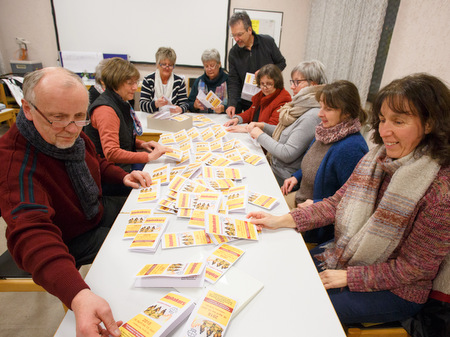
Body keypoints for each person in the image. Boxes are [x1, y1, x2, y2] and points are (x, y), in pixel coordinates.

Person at [247, 73, 450, 326]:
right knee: (285, 270)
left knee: (303, 306)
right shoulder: (377, 158)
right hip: (349, 255)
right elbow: (336, 202)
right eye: (383, 120)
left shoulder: (440, 191)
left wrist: (349, 277)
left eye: (398, 121)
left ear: (430, 123)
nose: (384, 131)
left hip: (398, 290)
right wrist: (283, 219)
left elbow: (415, 269)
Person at [0, 67, 153, 337]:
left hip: (90, 209)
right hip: (67, 236)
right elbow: (31, 232)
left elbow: (96, 161)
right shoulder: (14, 161)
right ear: (27, 109)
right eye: (59, 118)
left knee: (150, 215)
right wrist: (78, 294)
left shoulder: (67, 132)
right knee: (132, 247)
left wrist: (123, 176)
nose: (72, 129)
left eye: (79, 117)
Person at [278, 80, 368, 243]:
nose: (320, 113)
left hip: (315, 223)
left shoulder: (351, 148)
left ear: (347, 112)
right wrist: (297, 176)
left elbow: (352, 200)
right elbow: (314, 162)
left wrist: (317, 203)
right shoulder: (327, 132)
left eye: (328, 109)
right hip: (300, 200)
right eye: (321, 107)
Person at [245, 60, 328, 186]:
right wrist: (263, 126)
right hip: (276, 167)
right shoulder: (302, 105)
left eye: (297, 82)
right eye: (292, 81)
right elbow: (286, 134)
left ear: (313, 84)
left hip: (283, 176)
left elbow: (287, 153)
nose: (292, 86)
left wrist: (259, 135)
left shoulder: (312, 115)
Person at [85, 57, 169, 177]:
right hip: (113, 174)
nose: (135, 87)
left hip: (123, 167)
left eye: (136, 82)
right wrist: (148, 156)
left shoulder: (119, 102)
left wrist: (141, 144)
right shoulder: (106, 110)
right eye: (130, 83)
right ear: (115, 83)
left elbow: (121, 138)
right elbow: (112, 152)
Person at [226, 11, 286, 117]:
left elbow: (281, 63)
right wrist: (232, 104)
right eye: (233, 35)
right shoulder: (233, 53)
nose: (236, 39)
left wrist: (267, 73)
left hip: (268, 100)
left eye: (239, 34)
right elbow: (233, 81)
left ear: (249, 30)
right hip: (247, 103)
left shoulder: (267, 42)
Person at [224, 64, 291, 129]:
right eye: (262, 84)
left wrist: (246, 128)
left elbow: (272, 128)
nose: (265, 87)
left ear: (277, 82)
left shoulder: (283, 99)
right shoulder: (261, 95)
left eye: (269, 84)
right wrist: (237, 119)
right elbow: (251, 112)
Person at [140, 47, 188, 114]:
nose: (167, 68)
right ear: (157, 64)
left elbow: (185, 104)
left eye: (170, 65)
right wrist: (155, 104)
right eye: (164, 64)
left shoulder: (179, 81)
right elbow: (142, 105)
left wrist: (180, 109)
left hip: (172, 119)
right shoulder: (148, 80)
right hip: (153, 118)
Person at [188, 48, 228, 114]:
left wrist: (224, 108)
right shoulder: (199, 81)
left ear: (219, 64)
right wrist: (194, 106)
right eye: (206, 66)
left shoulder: (228, 81)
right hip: (203, 120)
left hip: (224, 120)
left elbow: (237, 106)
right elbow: (189, 103)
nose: (209, 69)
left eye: (212, 66)